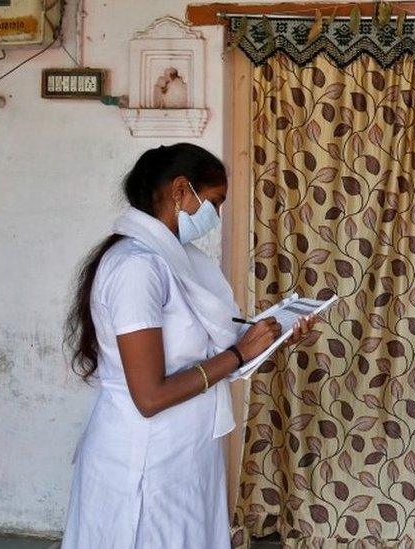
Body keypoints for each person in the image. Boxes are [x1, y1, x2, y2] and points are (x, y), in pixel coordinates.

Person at [61, 143, 317, 548]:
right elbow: (149, 395)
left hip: (185, 453)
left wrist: (272, 338)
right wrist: (238, 353)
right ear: (181, 191)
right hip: (144, 458)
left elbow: (214, 354)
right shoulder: (137, 267)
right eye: (214, 202)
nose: (216, 216)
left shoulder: (178, 260)